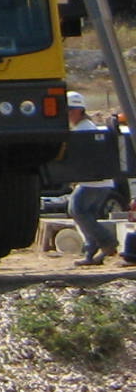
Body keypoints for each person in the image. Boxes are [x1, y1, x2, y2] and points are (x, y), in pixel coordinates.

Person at [67, 93, 120, 265]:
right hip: (99, 182)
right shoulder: (84, 127)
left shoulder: (84, 129)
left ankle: (107, 241)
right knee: (86, 215)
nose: (67, 114)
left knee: (77, 209)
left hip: (94, 182)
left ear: (79, 110)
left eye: (70, 110)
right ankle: (91, 254)